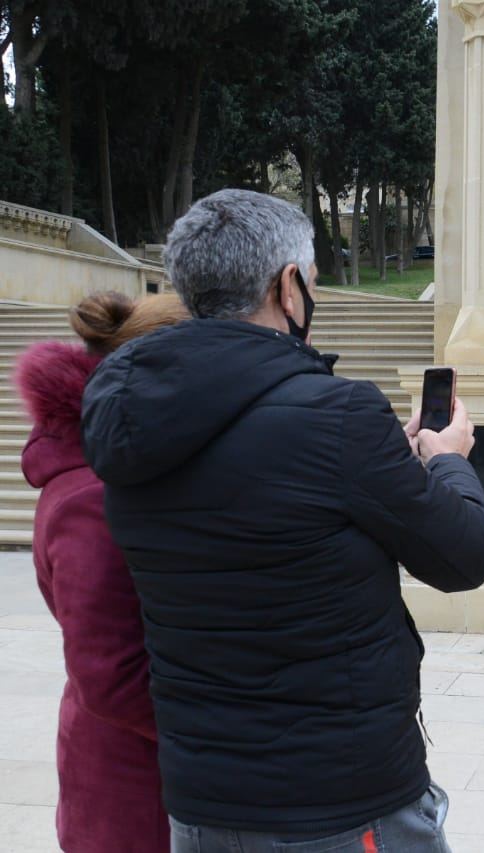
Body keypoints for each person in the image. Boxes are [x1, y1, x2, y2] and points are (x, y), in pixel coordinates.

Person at [79, 189, 484, 852]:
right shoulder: (338, 418)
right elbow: (466, 554)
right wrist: (444, 460)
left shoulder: (129, 418)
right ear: (289, 286)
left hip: (202, 805)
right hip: (342, 803)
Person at [16, 292, 190, 853]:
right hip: (134, 789)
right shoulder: (92, 497)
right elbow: (111, 676)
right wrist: (229, 737)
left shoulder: (120, 471)